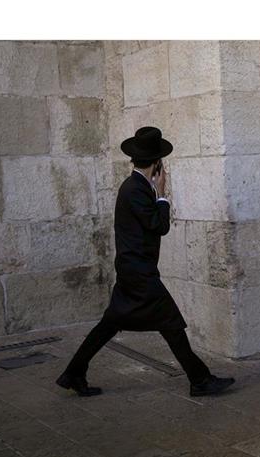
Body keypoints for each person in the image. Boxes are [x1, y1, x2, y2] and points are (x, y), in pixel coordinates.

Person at [56, 127, 235, 398]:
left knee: (111, 325)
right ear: (157, 162)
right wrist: (162, 194)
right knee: (171, 324)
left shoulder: (137, 186)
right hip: (139, 274)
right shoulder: (136, 189)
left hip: (133, 271)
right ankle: (199, 380)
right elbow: (159, 226)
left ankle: (73, 373)